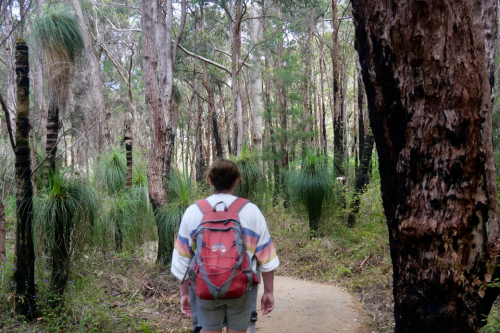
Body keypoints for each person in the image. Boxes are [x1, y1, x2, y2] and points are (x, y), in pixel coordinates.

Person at [171, 159, 279, 333]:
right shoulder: (251, 211)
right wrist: (268, 292)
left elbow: (181, 260)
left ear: (210, 181)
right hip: (240, 288)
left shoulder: (192, 212)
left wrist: (184, 294)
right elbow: (267, 258)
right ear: (236, 181)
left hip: (205, 288)